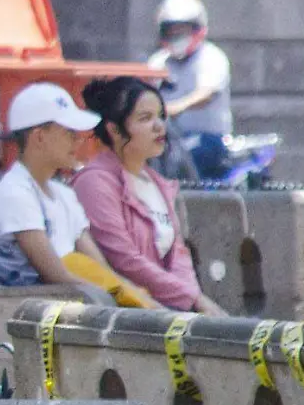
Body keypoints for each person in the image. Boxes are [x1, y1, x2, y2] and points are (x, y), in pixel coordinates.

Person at [0, 82, 154, 308]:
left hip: (75, 304)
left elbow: (99, 269)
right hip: (32, 311)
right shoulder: (14, 193)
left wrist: (135, 298)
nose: (78, 140)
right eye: (69, 133)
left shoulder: (64, 194)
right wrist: (118, 297)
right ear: (39, 137)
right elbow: (57, 275)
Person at [71, 76, 225, 315]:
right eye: (145, 118)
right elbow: (124, 259)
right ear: (114, 130)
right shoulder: (94, 182)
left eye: (161, 116)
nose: (159, 126)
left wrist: (193, 302)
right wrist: (192, 300)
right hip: (128, 313)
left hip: (169, 310)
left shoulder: (156, 182)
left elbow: (178, 255)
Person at [146, 0, 231, 181]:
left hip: (208, 139)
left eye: (182, 29)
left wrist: (176, 107)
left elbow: (206, 94)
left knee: (178, 160)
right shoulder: (158, 62)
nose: (176, 35)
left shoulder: (211, 57)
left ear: (198, 29)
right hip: (167, 137)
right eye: (171, 30)